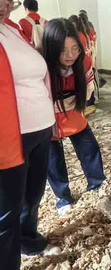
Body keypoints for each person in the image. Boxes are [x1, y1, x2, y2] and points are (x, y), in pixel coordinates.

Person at [0, 0, 60, 268]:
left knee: (33, 194)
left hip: (40, 127)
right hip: (11, 135)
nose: (6, 4)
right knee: (7, 209)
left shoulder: (12, 29)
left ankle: (28, 240)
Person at [42, 18, 106, 215]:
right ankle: (62, 197)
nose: (70, 55)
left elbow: (86, 93)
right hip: (47, 116)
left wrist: (70, 103)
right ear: (51, 48)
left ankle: (97, 184)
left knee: (89, 147)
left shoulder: (84, 60)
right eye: (63, 50)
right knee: (53, 158)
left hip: (73, 113)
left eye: (74, 48)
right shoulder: (41, 63)